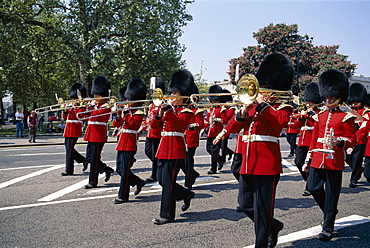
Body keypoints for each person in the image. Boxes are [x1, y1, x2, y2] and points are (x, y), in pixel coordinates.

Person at [216, 54, 294, 248]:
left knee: (263, 208)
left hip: (267, 163)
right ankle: (273, 226)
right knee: (245, 204)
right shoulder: (252, 106)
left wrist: (262, 105)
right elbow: (234, 127)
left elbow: (279, 123)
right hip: (248, 161)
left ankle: (261, 243)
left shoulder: (283, 106)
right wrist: (242, 114)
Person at [303, 69, 357, 242]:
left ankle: (328, 227)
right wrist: (308, 159)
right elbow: (313, 140)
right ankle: (330, 211)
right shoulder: (320, 116)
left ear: (339, 97)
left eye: (330, 97)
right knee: (313, 187)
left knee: (332, 194)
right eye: (326, 97)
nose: (327, 99)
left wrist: (340, 142)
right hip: (318, 158)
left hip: (334, 159)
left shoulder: (345, 117)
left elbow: (352, 140)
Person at [151, 69, 197, 225]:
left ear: (183, 95)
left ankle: (167, 215)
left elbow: (178, 124)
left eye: (175, 94)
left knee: (168, 183)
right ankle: (185, 194)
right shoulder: (168, 110)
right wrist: (158, 114)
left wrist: (168, 111)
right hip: (163, 148)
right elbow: (154, 126)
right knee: (161, 179)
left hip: (175, 149)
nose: (171, 96)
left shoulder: (187, 111)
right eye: (171, 93)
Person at [113, 80, 147, 204]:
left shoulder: (139, 112)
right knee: (120, 169)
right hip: (121, 141)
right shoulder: (125, 111)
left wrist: (125, 114)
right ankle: (138, 182)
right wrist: (118, 116)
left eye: (129, 99)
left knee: (125, 170)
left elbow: (132, 125)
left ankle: (123, 196)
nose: (126, 101)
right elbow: (116, 124)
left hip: (130, 142)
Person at [83, 75, 115, 189]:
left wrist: (91, 108)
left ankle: (93, 181)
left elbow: (97, 116)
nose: (95, 97)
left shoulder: (106, 106)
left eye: (97, 95)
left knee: (94, 158)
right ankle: (106, 169)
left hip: (98, 134)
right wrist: (88, 109)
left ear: (103, 95)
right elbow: (87, 117)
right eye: (95, 95)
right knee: (90, 158)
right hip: (91, 132)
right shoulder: (96, 105)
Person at [292, 83, 322, 196]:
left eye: (309, 102)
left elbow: (320, 124)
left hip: (312, 142)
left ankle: (309, 186)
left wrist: (312, 114)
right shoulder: (303, 113)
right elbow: (294, 126)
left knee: (311, 164)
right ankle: (309, 182)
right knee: (299, 162)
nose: (307, 104)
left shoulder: (319, 113)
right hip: (302, 142)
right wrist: (300, 117)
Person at [140, 77, 166, 183]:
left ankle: (155, 174)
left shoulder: (162, 104)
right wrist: (142, 128)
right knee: (148, 152)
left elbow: (162, 119)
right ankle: (160, 166)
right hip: (150, 133)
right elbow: (148, 118)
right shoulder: (151, 105)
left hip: (158, 133)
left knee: (155, 155)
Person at [345, 83, 369, 188]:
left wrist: (354, 143)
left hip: (360, 141)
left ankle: (353, 179)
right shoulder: (351, 112)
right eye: (352, 101)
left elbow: (363, 129)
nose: (354, 103)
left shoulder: (366, 113)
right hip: (350, 139)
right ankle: (359, 170)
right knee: (348, 159)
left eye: (356, 101)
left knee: (356, 160)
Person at [61, 83, 88, 176]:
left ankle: (69, 170)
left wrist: (75, 107)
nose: (72, 100)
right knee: (68, 148)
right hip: (68, 128)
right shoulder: (70, 105)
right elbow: (65, 117)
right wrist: (65, 109)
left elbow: (80, 116)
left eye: (74, 98)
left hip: (75, 128)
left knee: (69, 149)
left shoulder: (82, 106)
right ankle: (83, 160)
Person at [204, 85, 228, 174]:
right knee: (208, 149)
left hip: (217, 132)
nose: (212, 101)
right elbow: (207, 120)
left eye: (214, 100)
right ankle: (221, 159)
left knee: (214, 151)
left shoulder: (221, 109)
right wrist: (204, 129)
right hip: (210, 132)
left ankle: (213, 168)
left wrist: (218, 120)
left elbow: (225, 120)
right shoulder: (211, 109)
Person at [184, 84, 204, 190]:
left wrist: (191, 126)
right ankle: (193, 174)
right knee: (183, 161)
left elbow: (201, 124)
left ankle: (188, 183)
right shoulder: (182, 110)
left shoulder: (197, 111)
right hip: (182, 138)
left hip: (191, 138)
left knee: (188, 161)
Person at [218, 89, 236, 166]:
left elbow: (228, 116)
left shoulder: (232, 108)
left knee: (223, 144)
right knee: (219, 144)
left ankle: (223, 159)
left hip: (227, 127)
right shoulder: (222, 108)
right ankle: (230, 153)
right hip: (219, 127)